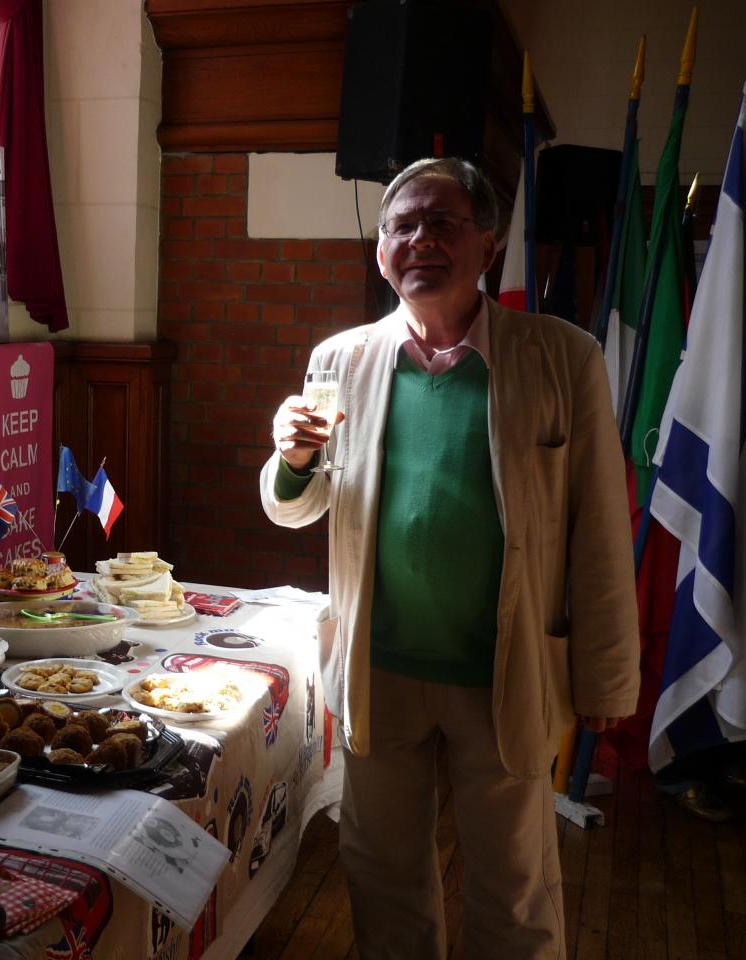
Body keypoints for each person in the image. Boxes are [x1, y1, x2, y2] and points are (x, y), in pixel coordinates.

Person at [260, 157, 640, 959]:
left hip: (502, 672)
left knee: (514, 883)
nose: (420, 240)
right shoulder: (341, 360)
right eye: (402, 225)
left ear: (489, 244)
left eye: (443, 222)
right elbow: (298, 504)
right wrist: (291, 461)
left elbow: (601, 526)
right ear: (380, 250)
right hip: (379, 668)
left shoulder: (561, 358)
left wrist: (606, 675)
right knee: (382, 873)